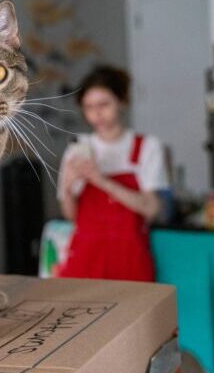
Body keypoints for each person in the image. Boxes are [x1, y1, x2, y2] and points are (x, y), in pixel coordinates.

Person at [57, 65, 169, 281]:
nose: (97, 113)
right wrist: (69, 189)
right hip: (85, 258)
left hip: (131, 259)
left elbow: (151, 209)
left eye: (104, 104)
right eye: (89, 107)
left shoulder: (146, 147)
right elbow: (71, 216)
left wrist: (100, 180)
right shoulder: (78, 149)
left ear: (122, 101)